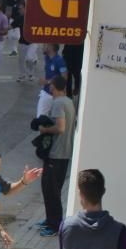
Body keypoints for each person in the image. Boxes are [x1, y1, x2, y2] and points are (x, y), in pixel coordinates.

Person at [37, 76, 76, 236]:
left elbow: (60, 128)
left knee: (51, 189)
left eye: (51, 87)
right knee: (50, 188)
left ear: (56, 87)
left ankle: (55, 225)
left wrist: (45, 130)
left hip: (56, 153)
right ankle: (50, 219)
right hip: (63, 153)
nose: (50, 90)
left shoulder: (59, 103)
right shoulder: (68, 101)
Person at [38, 43, 69, 118]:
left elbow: (64, 77)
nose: (42, 46)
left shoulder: (59, 61)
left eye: (45, 44)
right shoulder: (47, 58)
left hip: (56, 95)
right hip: (47, 92)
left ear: (50, 46)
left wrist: (47, 82)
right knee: (41, 118)